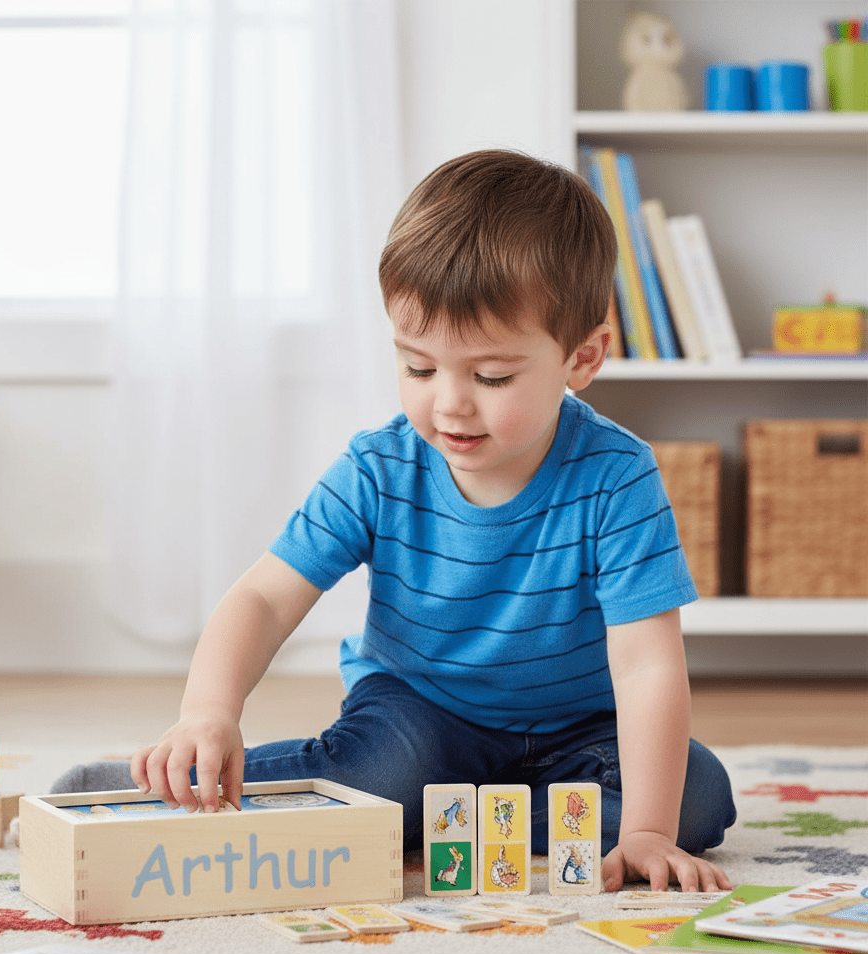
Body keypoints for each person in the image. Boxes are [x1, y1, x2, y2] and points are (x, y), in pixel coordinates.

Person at [61, 150, 735, 892]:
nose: (449, 403)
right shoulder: (381, 466)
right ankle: (156, 784)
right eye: (418, 368)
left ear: (582, 358)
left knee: (697, 800)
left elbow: (646, 665)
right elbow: (265, 596)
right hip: (421, 714)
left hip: (579, 729)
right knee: (384, 770)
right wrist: (207, 712)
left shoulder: (618, 475)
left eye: (491, 376)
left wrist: (645, 831)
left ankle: (449, 814)